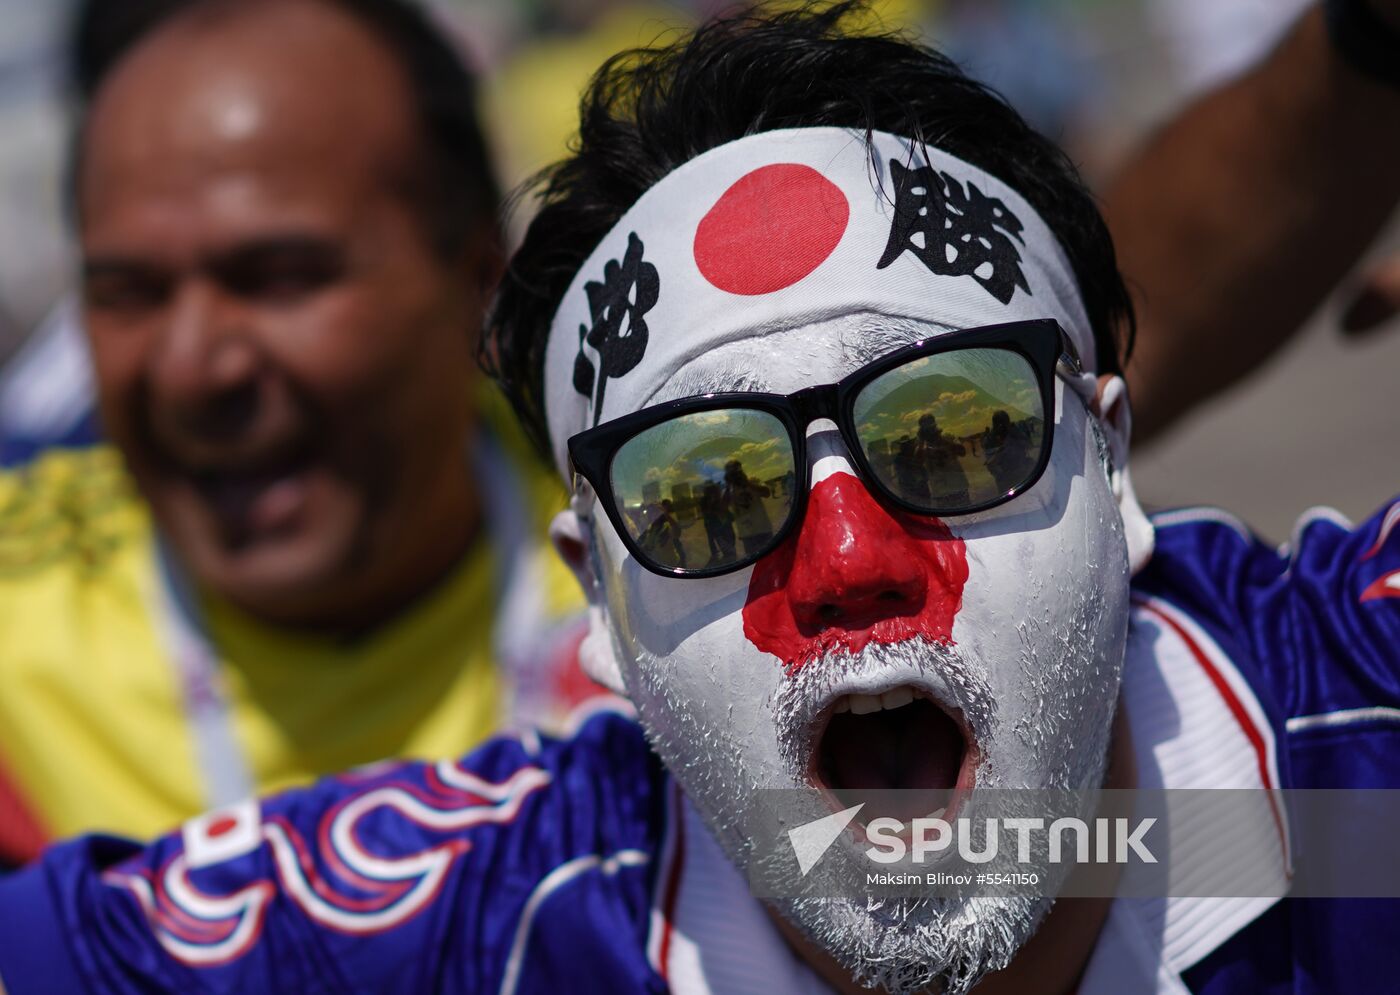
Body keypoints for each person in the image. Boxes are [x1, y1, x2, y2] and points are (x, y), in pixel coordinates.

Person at [2, 4, 1400, 993]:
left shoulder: (1352, 752)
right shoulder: (493, 913)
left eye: (951, 434)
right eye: (709, 490)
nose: (850, 558)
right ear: (593, 591)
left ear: (1111, 459)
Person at [0, 0, 591, 871]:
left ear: (477, 278)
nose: (194, 368)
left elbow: (868, 861)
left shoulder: (678, 556)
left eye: (279, 277)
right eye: (129, 292)